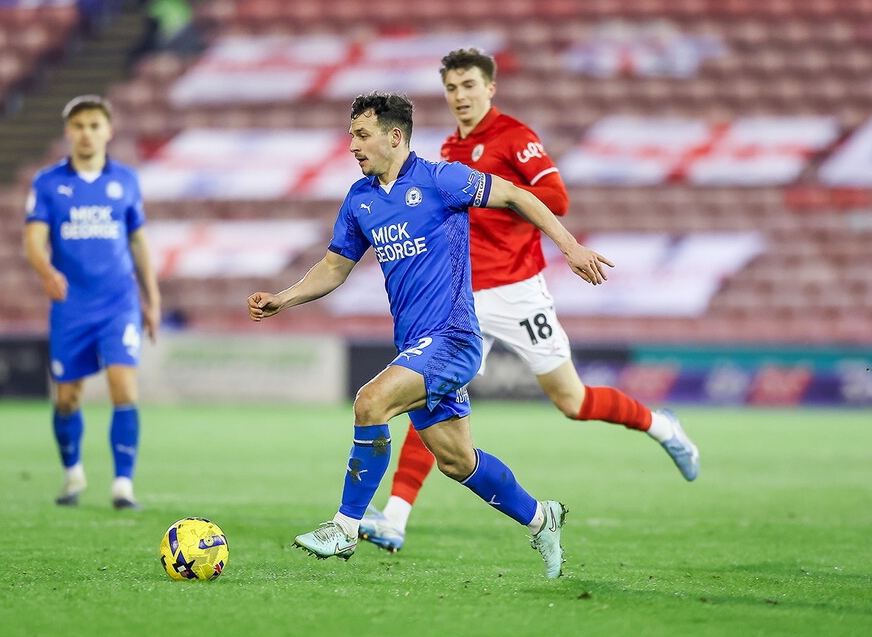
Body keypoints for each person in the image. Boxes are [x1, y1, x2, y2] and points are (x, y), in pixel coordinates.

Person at [248, 92, 613, 578]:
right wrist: (285, 297)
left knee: (369, 402)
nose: (352, 145)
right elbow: (335, 267)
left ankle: (345, 526)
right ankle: (541, 518)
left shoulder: (441, 179)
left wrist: (569, 246)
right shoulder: (360, 200)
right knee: (457, 461)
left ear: (394, 136)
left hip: (454, 338)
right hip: (417, 344)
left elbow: (519, 195)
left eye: (362, 135)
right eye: (351, 135)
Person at [359, 48, 700, 553]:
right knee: (429, 392)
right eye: (452, 88)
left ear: (490, 88)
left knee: (573, 401)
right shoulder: (450, 148)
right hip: (465, 295)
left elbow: (555, 197)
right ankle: (395, 518)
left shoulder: (515, 138)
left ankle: (659, 423)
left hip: (518, 290)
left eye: (469, 86)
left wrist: (497, 201)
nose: (461, 97)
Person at [23, 95, 161, 511]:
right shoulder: (48, 183)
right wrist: (47, 272)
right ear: (68, 132)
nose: (87, 133)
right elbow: (32, 240)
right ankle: (72, 473)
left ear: (108, 131)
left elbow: (138, 241)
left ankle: (123, 485)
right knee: (67, 398)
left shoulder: (126, 181)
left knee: (124, 386)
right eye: (79, 125)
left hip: (118, 302)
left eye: (94, 125)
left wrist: (151, 300)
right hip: (71, 306)